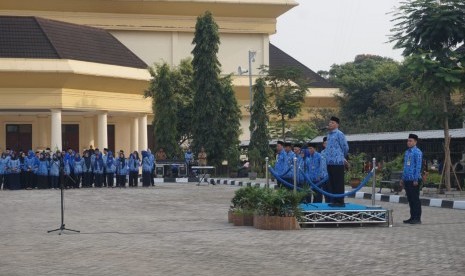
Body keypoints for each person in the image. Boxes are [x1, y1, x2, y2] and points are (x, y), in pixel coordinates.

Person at [325, 116, 349, 207]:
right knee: (332, 183)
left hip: (337, 162)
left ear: (337, 124)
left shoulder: (340, 134)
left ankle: (340, 201)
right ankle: (334, 200)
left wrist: (341, 156)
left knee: (338, 182)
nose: (330, 124)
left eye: (332, 123)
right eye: (330, 122)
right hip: (329, 162)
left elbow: (345, 147)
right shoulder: (328, 135)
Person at [400, 133, 423, 225]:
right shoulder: (407, 152)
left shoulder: (417, 152)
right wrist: (402, 178)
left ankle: (417, 218)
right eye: (408, 140)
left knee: (415, 199)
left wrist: (416, 179)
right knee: (410, 199)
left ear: (415, 142)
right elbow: (405, 166)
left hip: (414, 180)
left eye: (410, 141)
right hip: (407, 179)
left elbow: (418, 166)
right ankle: (412, 217)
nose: (408, 142)